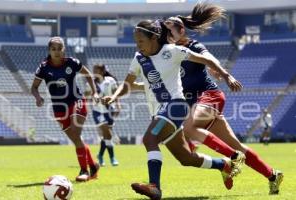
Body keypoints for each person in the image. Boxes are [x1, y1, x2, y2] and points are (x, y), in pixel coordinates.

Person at [102, 20, 245, 200]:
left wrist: (226, 75)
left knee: (149, 138)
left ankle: (155, 187)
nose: (138, 46)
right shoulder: (139, 58)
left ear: (154, 37)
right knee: (186, 158)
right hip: (159, 113)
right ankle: (224, 165)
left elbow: (206, 59)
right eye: (136, 42)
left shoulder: (173, 51)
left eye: (141, 41)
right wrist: (114, 97)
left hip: (176, 106)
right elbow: (127, 85)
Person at [161, 3, 283, 195]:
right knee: (232, 145)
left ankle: (231, 160)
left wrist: (225, 74)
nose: (166, 35)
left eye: (169, 30)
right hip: (195, 104)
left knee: (190, 128)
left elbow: (211, 59)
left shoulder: (195, 46)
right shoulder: (169, 52)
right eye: (164, 32)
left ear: (181, 30)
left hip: (209, 96)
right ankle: (273, 175)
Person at [31, 36, 100, 182]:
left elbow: (88, 74)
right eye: (53, 49)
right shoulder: (43, 67)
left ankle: (84, 171)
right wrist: (38, 98)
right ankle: (93, 165)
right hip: (58, 108)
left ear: (64, 50)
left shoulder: (72, 63)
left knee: (75, 132)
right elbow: (34, 87)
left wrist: (94, 92)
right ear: (49, 50)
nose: (56, 51)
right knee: (76, 139)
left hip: (76, 101)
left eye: (59, 48)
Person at [85, 64, 121, 166]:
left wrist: (118, 106)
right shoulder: (91, 83)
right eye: (93, 70)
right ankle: (112, 157)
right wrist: (85, 108)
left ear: (102, 71)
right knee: (108, 133)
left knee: (106, 136)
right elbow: (86, 96)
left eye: (96, 70)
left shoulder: (110, 81)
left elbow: (115, 94)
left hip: (109, 110)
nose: (94, 72)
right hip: (97, 111)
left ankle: (100, 155)